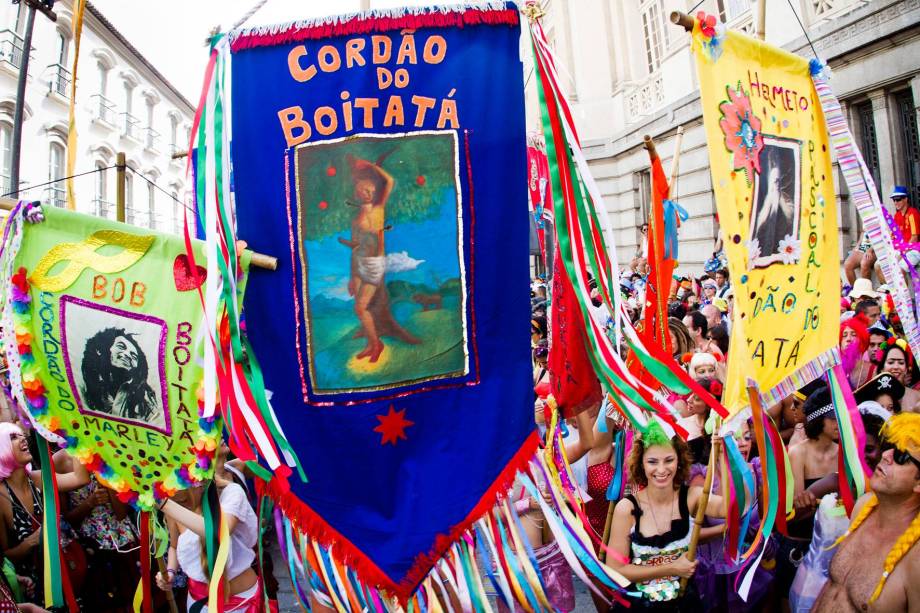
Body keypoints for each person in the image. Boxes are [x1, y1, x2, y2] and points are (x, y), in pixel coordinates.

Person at [606, 422, 726, 611]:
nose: (661, 470)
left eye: (668, 460)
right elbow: (615, 570)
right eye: (652, 462)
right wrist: (671, 568)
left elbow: (731, 508)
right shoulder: (626, 508)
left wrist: (722, 456)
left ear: (679, 461)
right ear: (641, 464)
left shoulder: (692, 497)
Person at [814, 413, 920, 611]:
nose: (886, 455)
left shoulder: (916, 558)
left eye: (900, 456)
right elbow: (833, 588)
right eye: (889, 446)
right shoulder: (864, 507)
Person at [789, 404, 889, 612]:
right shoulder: (834, 483)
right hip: (813, 588)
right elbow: (789, 519)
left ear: (885, 451)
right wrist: (801, 506)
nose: (861, 457)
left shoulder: (892, 497)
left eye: (869, 449)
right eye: (855, 450)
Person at [0, 423, 90, 606]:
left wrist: (76, 435)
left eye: (22, 435)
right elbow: (4, 558)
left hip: (71, 577)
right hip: (37, 591)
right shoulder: (1, 496)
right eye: (13, 437)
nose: (23, 438)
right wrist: (30, 542)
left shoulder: (38, 478)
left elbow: (81, 478)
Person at [690, 420, 774, 611]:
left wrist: (765, 536)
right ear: (718, 442)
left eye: (746, 436)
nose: (744, 443)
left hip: (750, 570)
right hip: (714, 576)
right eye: (735, 439)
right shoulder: (702, 480)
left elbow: (762, 519)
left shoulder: (756, 472)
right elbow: (692, 538)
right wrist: (727, 529)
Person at [155, 473, 261, 612]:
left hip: (243, 601)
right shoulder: (172, 505)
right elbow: (174, 547)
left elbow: (218, 532)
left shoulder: (231, 493)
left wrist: (164, 504)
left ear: (200, 481)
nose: (179, 503)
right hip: (200, 601)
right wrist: (170, 572)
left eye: (183, 499)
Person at [782, 388, 839, 603]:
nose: (837, 423)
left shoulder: (844, 453)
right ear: (818, 419)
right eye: (832, 418)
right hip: (801, 543)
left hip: (833, 544)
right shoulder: (798, 452)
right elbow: (797, 506)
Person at [337, 155, 396, 363]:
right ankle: (371, 345)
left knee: (360, 308)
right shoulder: (355, 220)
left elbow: (389, 181)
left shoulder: (379, 208)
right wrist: (352, 277)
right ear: (357, 192)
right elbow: (355, 248)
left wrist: (370, 164)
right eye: (365, 190)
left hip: (373, 265)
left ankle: (377, 345)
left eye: (372, 190)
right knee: (360, 309)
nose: (369, 193)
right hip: (359, 265)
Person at [81, 328, 160, 427]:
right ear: (105, 348)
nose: (127, 355)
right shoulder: (84, 382)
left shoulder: (145, 399)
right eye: (121, 347)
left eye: (134, 356)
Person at [874, 340, 920, 413]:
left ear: (906, 369)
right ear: (882, 369)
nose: (896, 367)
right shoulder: (872, 397)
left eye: (901, 363)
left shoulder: (917, 397)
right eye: (891, 362)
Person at [891, 186, 920, 273]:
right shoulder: (896, 216)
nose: (896, 202)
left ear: (905, 199)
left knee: (899, 270)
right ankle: (891, 287)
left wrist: (902, 253)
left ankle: (902, 287)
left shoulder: (912, 213)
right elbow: (893, 236)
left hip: (914, 249)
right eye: (894, 200)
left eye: (898, 199)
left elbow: (914, 238)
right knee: (879, 266)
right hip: (900, 249)